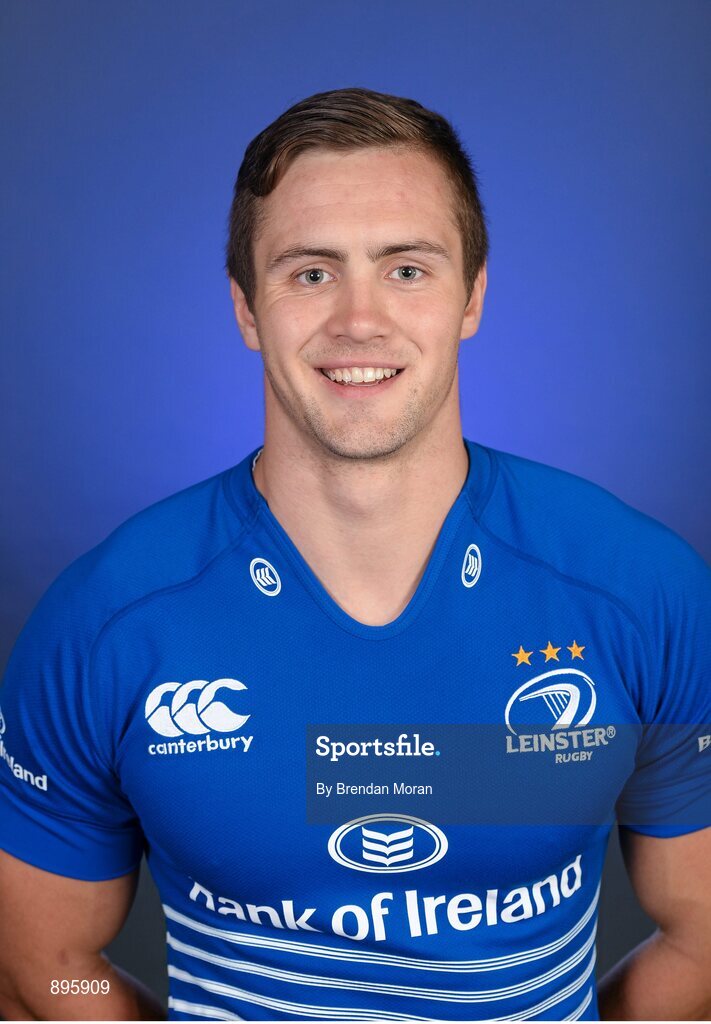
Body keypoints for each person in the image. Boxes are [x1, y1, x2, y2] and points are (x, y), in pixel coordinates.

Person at [0, 86, 709, 1023]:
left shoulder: (639, 592)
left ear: (472, 296)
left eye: (407, 269)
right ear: (248, 309)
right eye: (309, 273)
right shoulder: (106, 623)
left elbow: (699, 932)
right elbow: (46, 962)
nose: (359, 321)